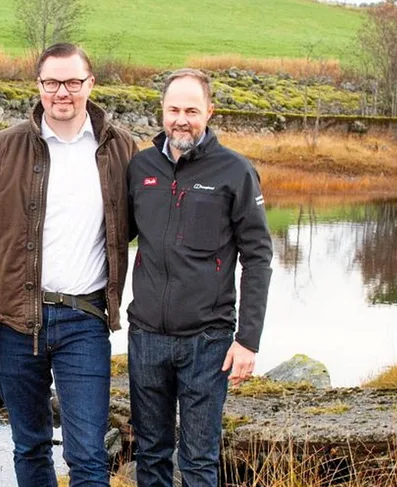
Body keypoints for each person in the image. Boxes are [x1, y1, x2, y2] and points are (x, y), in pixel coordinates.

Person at [0, 43, 138, 487]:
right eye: (52, 82)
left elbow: (142, 225)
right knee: (30, 446)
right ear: (38, 86)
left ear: (90, 85)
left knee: (89, 456)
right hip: (15, 323)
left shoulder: (121, 148)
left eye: (73, 82)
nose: (63, 93)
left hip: (85, 319)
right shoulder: (4, 148)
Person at [126, 68, 273, 487]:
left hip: (207, 342)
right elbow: (114, 236)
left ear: (209, 111)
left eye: (192, 109)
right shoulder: (141, 167)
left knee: (198, 459)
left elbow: (258, 256)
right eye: (173, 109)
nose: (181, 119)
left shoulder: (235, 171)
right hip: (147, 336)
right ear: (162, 111)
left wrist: (248, 339)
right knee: (150, 453)